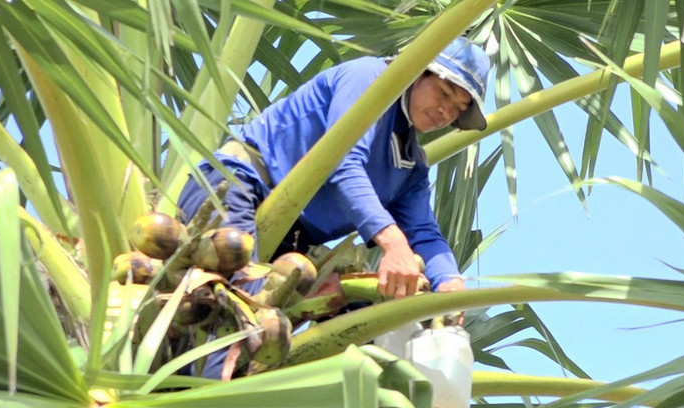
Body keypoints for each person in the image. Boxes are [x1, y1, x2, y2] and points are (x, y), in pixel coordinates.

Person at [177, 37, 490, 376]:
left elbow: (424, 233)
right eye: (443, 93)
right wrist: (391, 241)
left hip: (292, 242)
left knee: (358, 323)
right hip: (238, 187)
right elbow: (343, 163)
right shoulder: (370, 80)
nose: (446, 112)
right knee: (237, 312)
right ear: (417, 73)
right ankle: (207, 399)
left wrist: (449, 282)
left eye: (459, 108)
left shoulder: (411, 166)